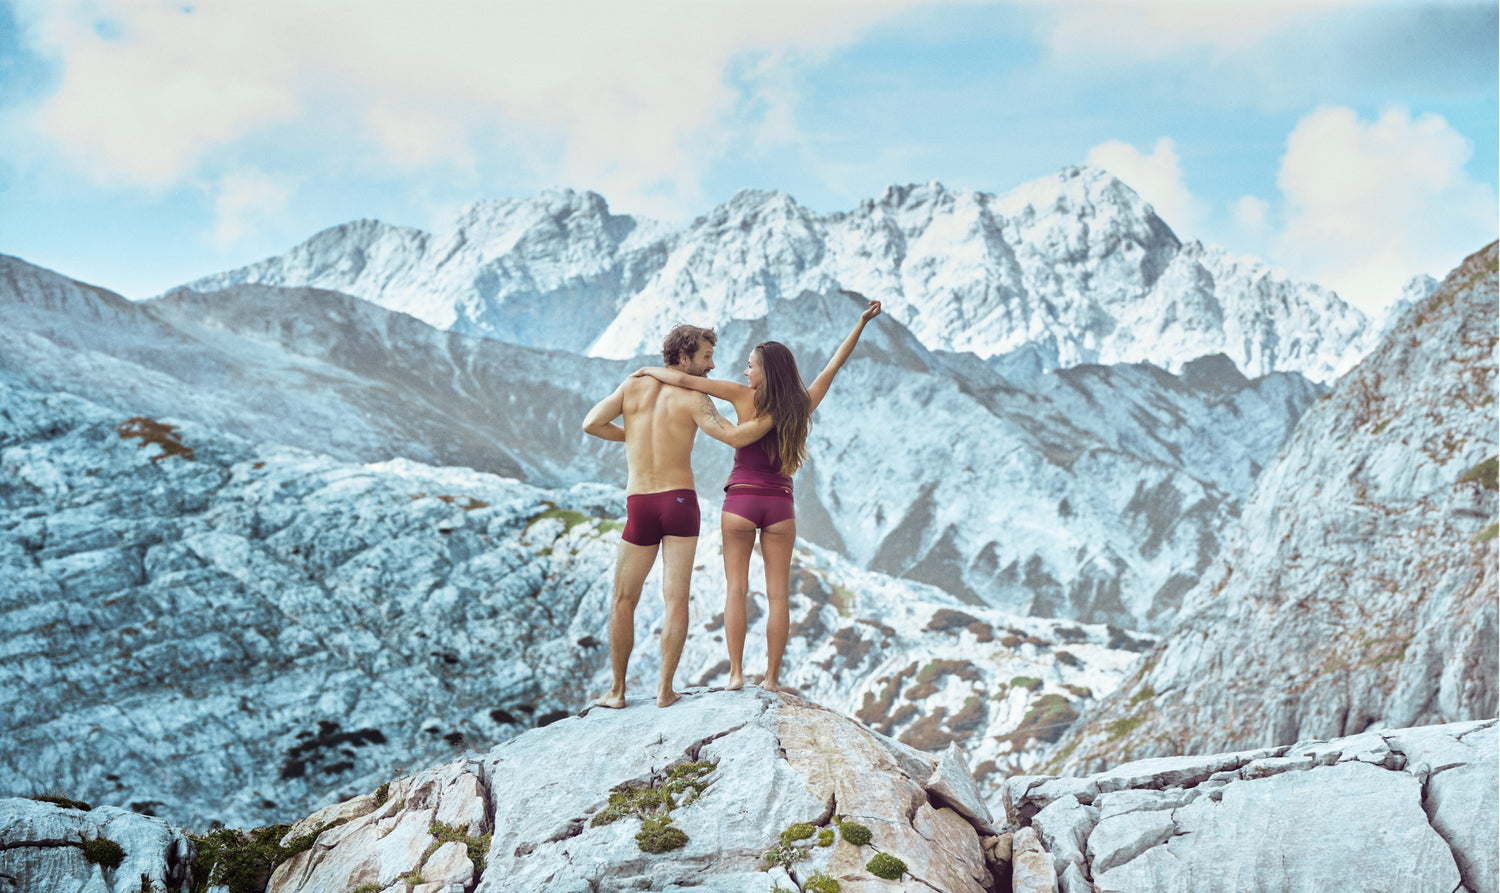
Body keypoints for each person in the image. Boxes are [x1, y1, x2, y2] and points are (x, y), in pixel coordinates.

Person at [632, 292, 882, 692]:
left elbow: (684, 379)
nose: (745, 371)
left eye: (750, 366)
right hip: (780, 505)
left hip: (740, 502)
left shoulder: (740, 395)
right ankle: (771, 679)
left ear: (765, 372)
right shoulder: (801, 404)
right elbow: (835, 364)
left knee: (737, 589)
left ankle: (735, 674)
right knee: (778, 596)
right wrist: (862, 323)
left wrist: (647, 370)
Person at [582, 324, 772, 709]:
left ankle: (616, 692)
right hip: (680, 503)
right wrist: (775, 418)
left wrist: (635, 434)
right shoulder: (694, 396)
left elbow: (592, 423)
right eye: (706, 357)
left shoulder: (631, 386)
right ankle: (665, 691)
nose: (712, 365)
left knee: (623, 599)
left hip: (640, 503)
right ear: (683, 357)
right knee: (676, 600)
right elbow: (734, 437)